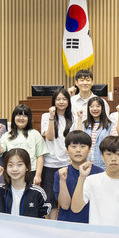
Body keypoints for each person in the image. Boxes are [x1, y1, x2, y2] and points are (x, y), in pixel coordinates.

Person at [0, 104, 48, 186]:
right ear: (14, 117)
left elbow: (40, 156)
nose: (21, 118)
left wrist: (38, 175)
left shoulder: (35, 134)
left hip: (30, 172)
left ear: (29, 118)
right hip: (12, 172)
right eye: (18, 115)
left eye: (25, 115)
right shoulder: (7, 135)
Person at [40, 88, 74, 218]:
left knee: (67, 198)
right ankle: (52, 225)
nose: (61, 102)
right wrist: (51, 117)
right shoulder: (46, 116)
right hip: (50, 164)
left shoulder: (73, 117)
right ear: (53, 101)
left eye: (64, 99)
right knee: (51, 200)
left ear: (68, 101)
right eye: (58, 99)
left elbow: (76, 137)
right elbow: (49, 137)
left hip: (67, 163)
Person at [82, 95, 113, 171]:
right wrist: (79, 118)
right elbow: (80, 140)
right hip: (86, 164)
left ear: (102, 108)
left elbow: (113, 146)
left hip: (103, 164)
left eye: (98, 106)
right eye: (92, 106)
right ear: (88, 109)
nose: (95, 109)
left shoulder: (110, 125)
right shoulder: (84, 125)